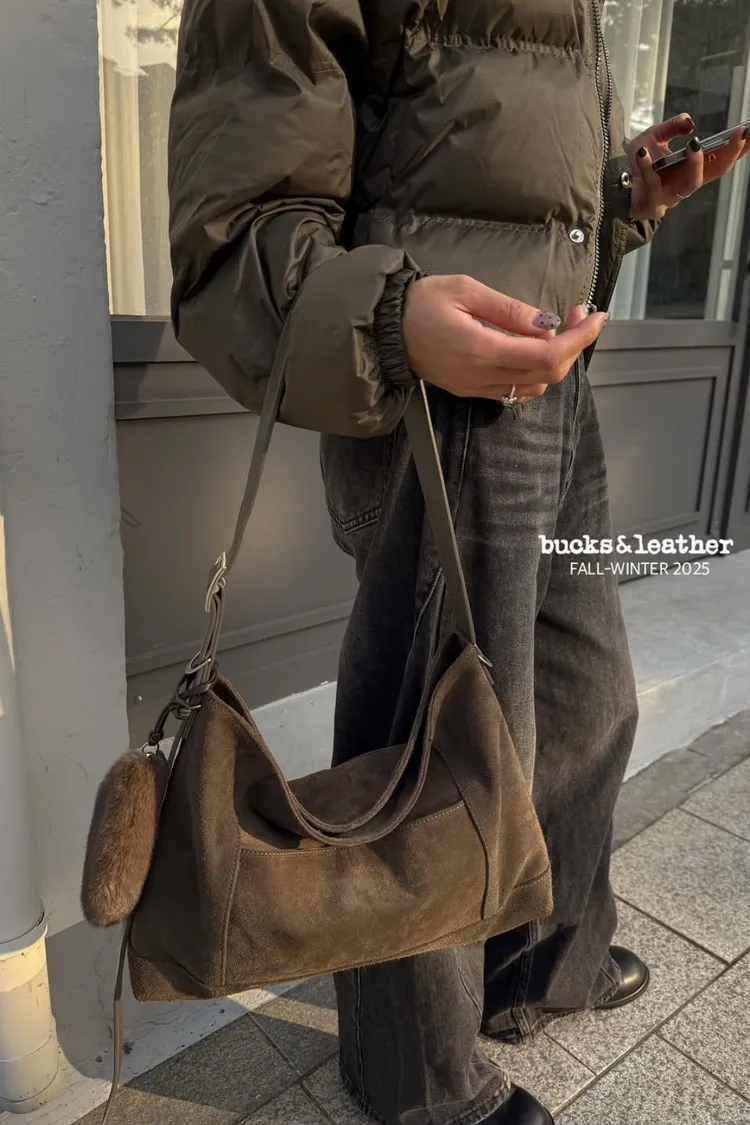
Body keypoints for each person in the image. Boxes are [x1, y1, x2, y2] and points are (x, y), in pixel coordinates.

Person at [166, 2, 750, 1122]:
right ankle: (414, 1076)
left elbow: (481, 154)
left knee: (588, 699)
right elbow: (239, 216)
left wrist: (622, 200)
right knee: (439, 750)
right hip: (433, 390)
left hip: (550, 367)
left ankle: (537, 960)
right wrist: (388, 320)